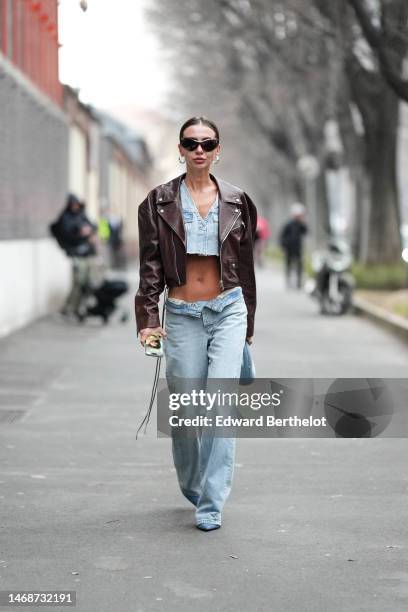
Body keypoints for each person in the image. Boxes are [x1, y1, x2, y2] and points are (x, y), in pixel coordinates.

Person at [135, 116, 257, 532]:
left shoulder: (239, 200)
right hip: (183, 314)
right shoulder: (158, 201)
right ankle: (193, 484)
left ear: (218, 149)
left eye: (208, 143)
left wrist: (248, 326)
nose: (200, 150)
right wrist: (148, 319)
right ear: (181, 150)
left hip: (228, 309)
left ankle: (211, 501)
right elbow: (150, 267)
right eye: (192, 143)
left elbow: (245, 267)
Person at [50, 194, 98, 317]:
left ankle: (80, 307)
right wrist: (79, 232)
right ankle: (69, 308)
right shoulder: (65, 217)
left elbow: (93, 226)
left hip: (88, 253)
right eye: (73, 205)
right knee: (78, 282)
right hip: (76, 254)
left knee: (90, 281)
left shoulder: (81, 215)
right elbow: (66, 234)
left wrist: (88, 230)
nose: (75, 207)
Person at [279, 203, 308, 289]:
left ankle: (299, 283)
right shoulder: (288, 224)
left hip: (298, 248)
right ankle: (288, 281)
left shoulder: (301, 224)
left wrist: (303, 222)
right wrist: (283, 246)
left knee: (299, 265)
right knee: (288, 265)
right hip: (289, 248)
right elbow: (282, 236)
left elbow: (305, 231)